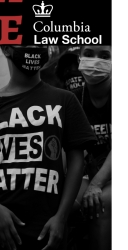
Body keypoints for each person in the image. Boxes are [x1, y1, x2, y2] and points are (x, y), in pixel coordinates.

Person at [0, 45, 97, 250]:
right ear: (6, 49)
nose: (33, 48)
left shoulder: (65, 100)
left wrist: (61, 216)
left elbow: (77, 160)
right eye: (25, 42)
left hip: (47, 230)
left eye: (38, 44)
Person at [72, 45, 112, 250]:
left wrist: (96, 184)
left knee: (102, 201)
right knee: (63, 200)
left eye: (104, 56)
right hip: (89, 172)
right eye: (88, 54)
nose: (95, 61)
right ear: (79, 57)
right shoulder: (73, 99)